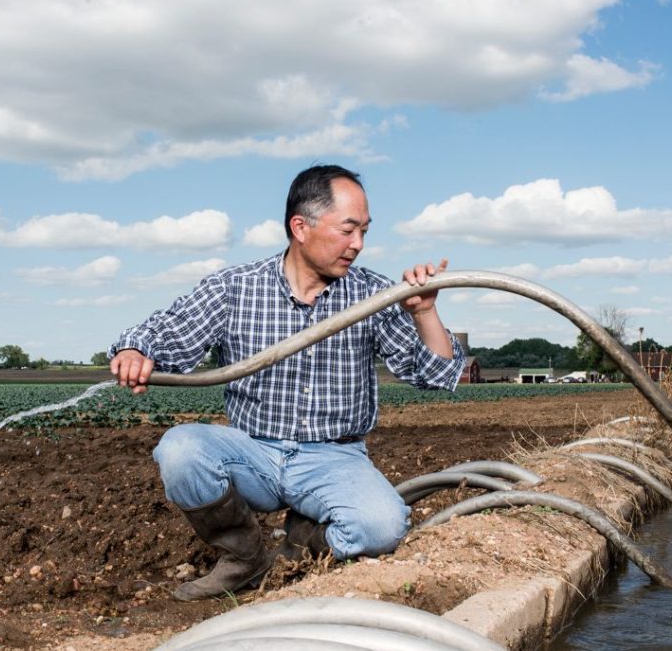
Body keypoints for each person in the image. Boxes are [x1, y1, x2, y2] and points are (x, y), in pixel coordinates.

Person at [108, 164, 464, 601]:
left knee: (381, 527)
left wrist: (425, 312)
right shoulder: (235, 287)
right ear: (301, 227)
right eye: (348, 230)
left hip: (334, 456)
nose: (358, 245)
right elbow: (167, 332)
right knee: (181, 450)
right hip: (253, 451)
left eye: (365, 232)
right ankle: (244, 558)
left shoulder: (373, 294)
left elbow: (436, 374)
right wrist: (134, 351)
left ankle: (300, 548)